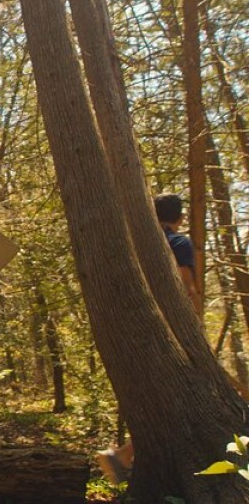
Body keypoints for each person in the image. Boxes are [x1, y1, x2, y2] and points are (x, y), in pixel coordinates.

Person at [96, 192, 196, 484]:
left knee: (163, 396)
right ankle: (122, 455)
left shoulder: (136, 243)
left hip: (137, 328)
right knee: (179, 397)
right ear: (179, 218)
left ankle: (127, 456)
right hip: (170, 330)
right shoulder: (178, 242)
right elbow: (185, 286)